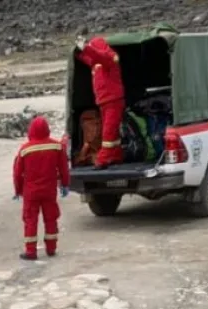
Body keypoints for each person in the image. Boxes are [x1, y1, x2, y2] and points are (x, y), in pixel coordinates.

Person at [13, 115, 71, 261]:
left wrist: (18, 190)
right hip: (49, 191)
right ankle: (51, 248)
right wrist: (65, 184)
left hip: (31, 192)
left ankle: (31, 251)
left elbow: (17, 172)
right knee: (51, 219)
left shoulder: (25, 149)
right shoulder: (57, 146)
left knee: (30, 220)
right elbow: (64, 168)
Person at [75, 36, 125, 168]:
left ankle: (103, 159)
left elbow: (98, 56)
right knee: (112, 132)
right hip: (104, 101)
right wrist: (79, 52)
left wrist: (86, 48)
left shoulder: (109, 59)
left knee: (108, 132)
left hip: (113, 101)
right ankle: (116, 154)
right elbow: (90, 59)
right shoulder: (96, 63)